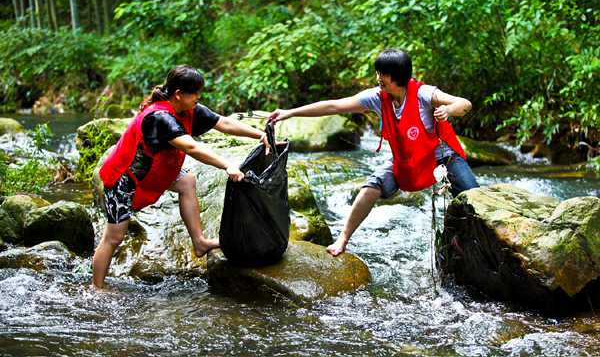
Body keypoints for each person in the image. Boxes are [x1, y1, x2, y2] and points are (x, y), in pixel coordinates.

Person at [269, 49, 479, 256]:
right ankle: (342, 240)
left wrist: (448, 110)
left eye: (383, 74)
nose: (378, 78)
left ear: (399, 76)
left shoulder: (423, 94)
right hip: (407, 158)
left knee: (475, 202)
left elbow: (465, 104)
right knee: (372, 185)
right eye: (377, 72)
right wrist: (290, 113)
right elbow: (334, 106)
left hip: (443, 155)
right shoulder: (377, 97)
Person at [93, 64, 271, 288]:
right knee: (114, 237)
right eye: (195, 93)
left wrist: (261, 135)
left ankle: (200, 243)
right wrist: (227, 165)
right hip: (124, 177)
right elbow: (191, 147)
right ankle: (97, 288)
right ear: (178, 94)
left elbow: (223, 122)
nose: (199, 97)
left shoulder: (189, 109)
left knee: (186, 182)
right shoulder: (159, 117)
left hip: (154, 170)